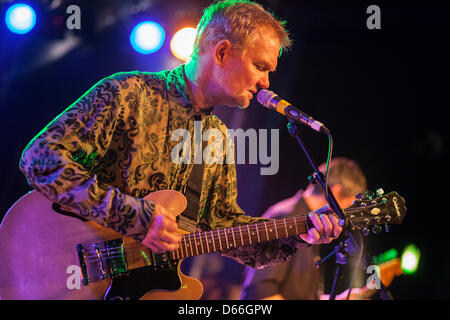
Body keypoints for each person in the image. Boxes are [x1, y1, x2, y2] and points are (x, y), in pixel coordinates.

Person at [19, 0, 341, 281]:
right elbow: (40, 158)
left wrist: (297, 233)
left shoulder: (217, 137)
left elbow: (222, 229)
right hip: (70, 271)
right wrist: (138, 217)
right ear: (223, 52)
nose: (265, 82)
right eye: (260, 66)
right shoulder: (128, 93)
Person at [240, 157, 368, 300]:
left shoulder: (313, 222)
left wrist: (339, 298)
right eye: (349, 204)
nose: (346, 210)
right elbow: (261, 292)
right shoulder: (286, 216)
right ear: (336, 192)